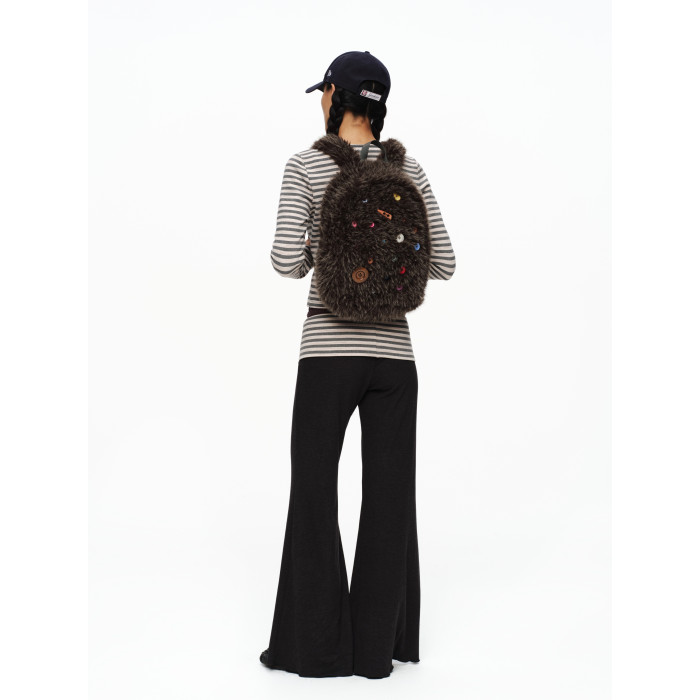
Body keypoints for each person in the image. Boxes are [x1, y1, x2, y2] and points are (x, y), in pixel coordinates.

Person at [259, 50, 456, 680]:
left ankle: (315, 649)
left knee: (314, 494)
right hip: (395, 361)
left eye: (323, 92)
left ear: (335, 96)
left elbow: (285, 262)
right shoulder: (408, 169)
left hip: (328, 356)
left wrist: (324, 248)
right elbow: (444, 262)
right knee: (390, 499)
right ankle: (378, 652)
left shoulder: (305, 165)